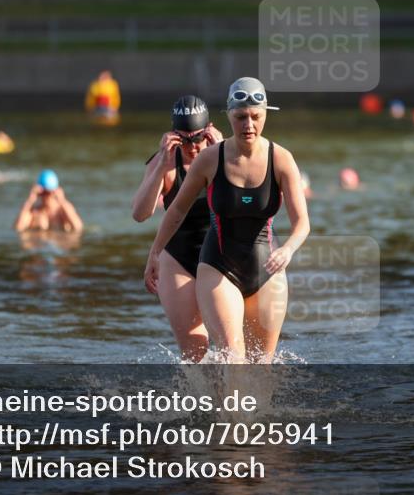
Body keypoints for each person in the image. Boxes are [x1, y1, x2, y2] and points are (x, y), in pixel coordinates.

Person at [144, 78, 310, 363]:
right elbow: (176, 212)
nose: (248, 125)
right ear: (229, 115)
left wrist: (288, 250)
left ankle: (247, 408)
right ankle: (219, 407)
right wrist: (155, 253)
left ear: (266, 114)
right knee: (233, 358)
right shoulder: (210, 159)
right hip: (218, 267)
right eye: (240, 117)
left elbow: (302, 223)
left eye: (255, 117)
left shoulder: (281, 159)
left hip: (267, 267)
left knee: (262, 365)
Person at [133, 96, 223, 362]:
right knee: (195, 352)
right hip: (179, 258)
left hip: (221, 256)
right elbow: (140, 214)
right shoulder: (165, 163)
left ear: (210, 130)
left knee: (231, 345)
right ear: (173, 136)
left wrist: (220, 151)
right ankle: (202, 402)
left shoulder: (227, 155)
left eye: (198, 138)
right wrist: (162, 165)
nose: (193, 147)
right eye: (184, 140)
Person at [15, 170, 83, 233]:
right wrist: (30, 200)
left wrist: (62, 200)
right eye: (43, 193)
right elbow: (18, 228)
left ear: (55, 192)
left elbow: (78, 227)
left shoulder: (62, 212)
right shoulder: (33, 213)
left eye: (49, 192)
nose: (46, 196)